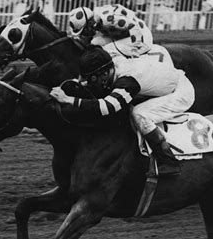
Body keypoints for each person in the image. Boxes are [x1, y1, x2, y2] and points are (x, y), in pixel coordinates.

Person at [50, 46, 196, 176]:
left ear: (104, 74)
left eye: (93, 78)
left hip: (180, 91)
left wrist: (69, 100)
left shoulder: (127, 81)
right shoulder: (111, 65)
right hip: (160, 84)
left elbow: (108, 107)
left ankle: (168, 160)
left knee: (139, 114)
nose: (91, 82)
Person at [67, 4, 153, 58]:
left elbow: (133, 26)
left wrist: (135, 49)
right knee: (95, 43)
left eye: (84, 31)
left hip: (142, 35)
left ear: (89, 23)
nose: (85, 34)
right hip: (125, 34)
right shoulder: (96, 18)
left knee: (105, 50)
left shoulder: (106, 20)